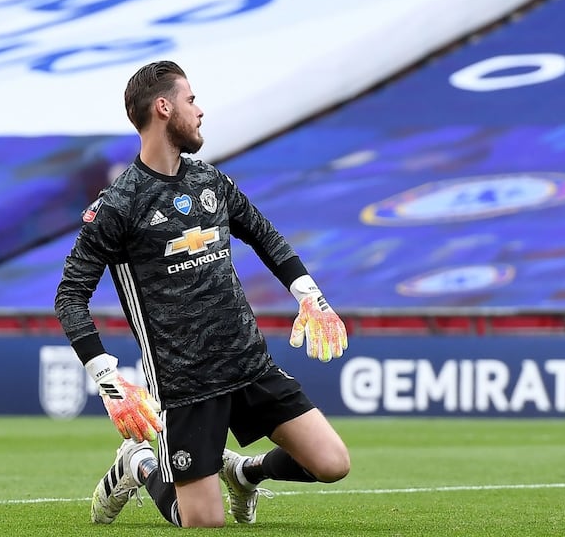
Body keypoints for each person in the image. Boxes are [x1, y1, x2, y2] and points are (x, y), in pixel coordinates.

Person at [54, 60, 350, 527]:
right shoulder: (119, 206)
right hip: (186, 384)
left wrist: (311, 296)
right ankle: (139, 463)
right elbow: (70, 295)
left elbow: (264, 235)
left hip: (248, 363)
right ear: (164, 108)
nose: (200, 110)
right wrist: (108, 379)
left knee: (333, 463)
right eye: (191, 100)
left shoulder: (209, 180)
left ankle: (246, 473)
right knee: (203, 522)